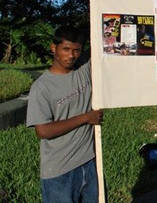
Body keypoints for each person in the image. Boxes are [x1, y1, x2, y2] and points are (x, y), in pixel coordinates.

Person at [26, 26, 103, 203]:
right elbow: (42, 131)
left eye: (76, 50)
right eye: (66, 49)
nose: (71, 56)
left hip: (89, 162)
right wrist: (86, 117)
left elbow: (103, 39)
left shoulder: (83, 69)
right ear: (54, 48)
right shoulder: (42, 87)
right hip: (59, 171)